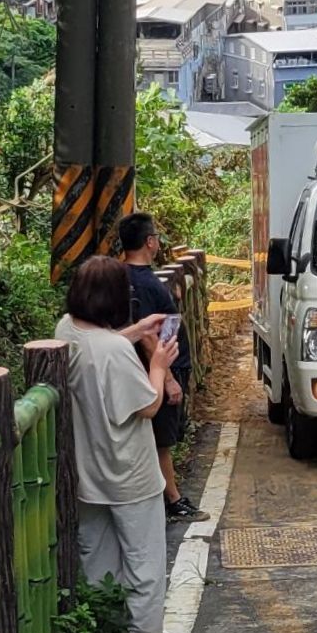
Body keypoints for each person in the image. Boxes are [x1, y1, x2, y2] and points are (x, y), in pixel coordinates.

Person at [55, 255, 181, 633]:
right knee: (143, 557)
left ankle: (104, 630)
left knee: (97, 555)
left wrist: (135, 331)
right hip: (129, 471)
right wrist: (158, 365)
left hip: (88, 469)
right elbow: (147, 404)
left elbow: (99, 349)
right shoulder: (114, 351)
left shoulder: (66, 330)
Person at [118, 211, 199, 520]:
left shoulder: (128, 278)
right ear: (149, 242)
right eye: (156, 237)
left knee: (160, 438)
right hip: (160, 371)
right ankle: (172, 500)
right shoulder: (144, 283)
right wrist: (166, 378)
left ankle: (168, 496)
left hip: (160, 369)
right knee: (162, 440)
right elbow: (148, 335)